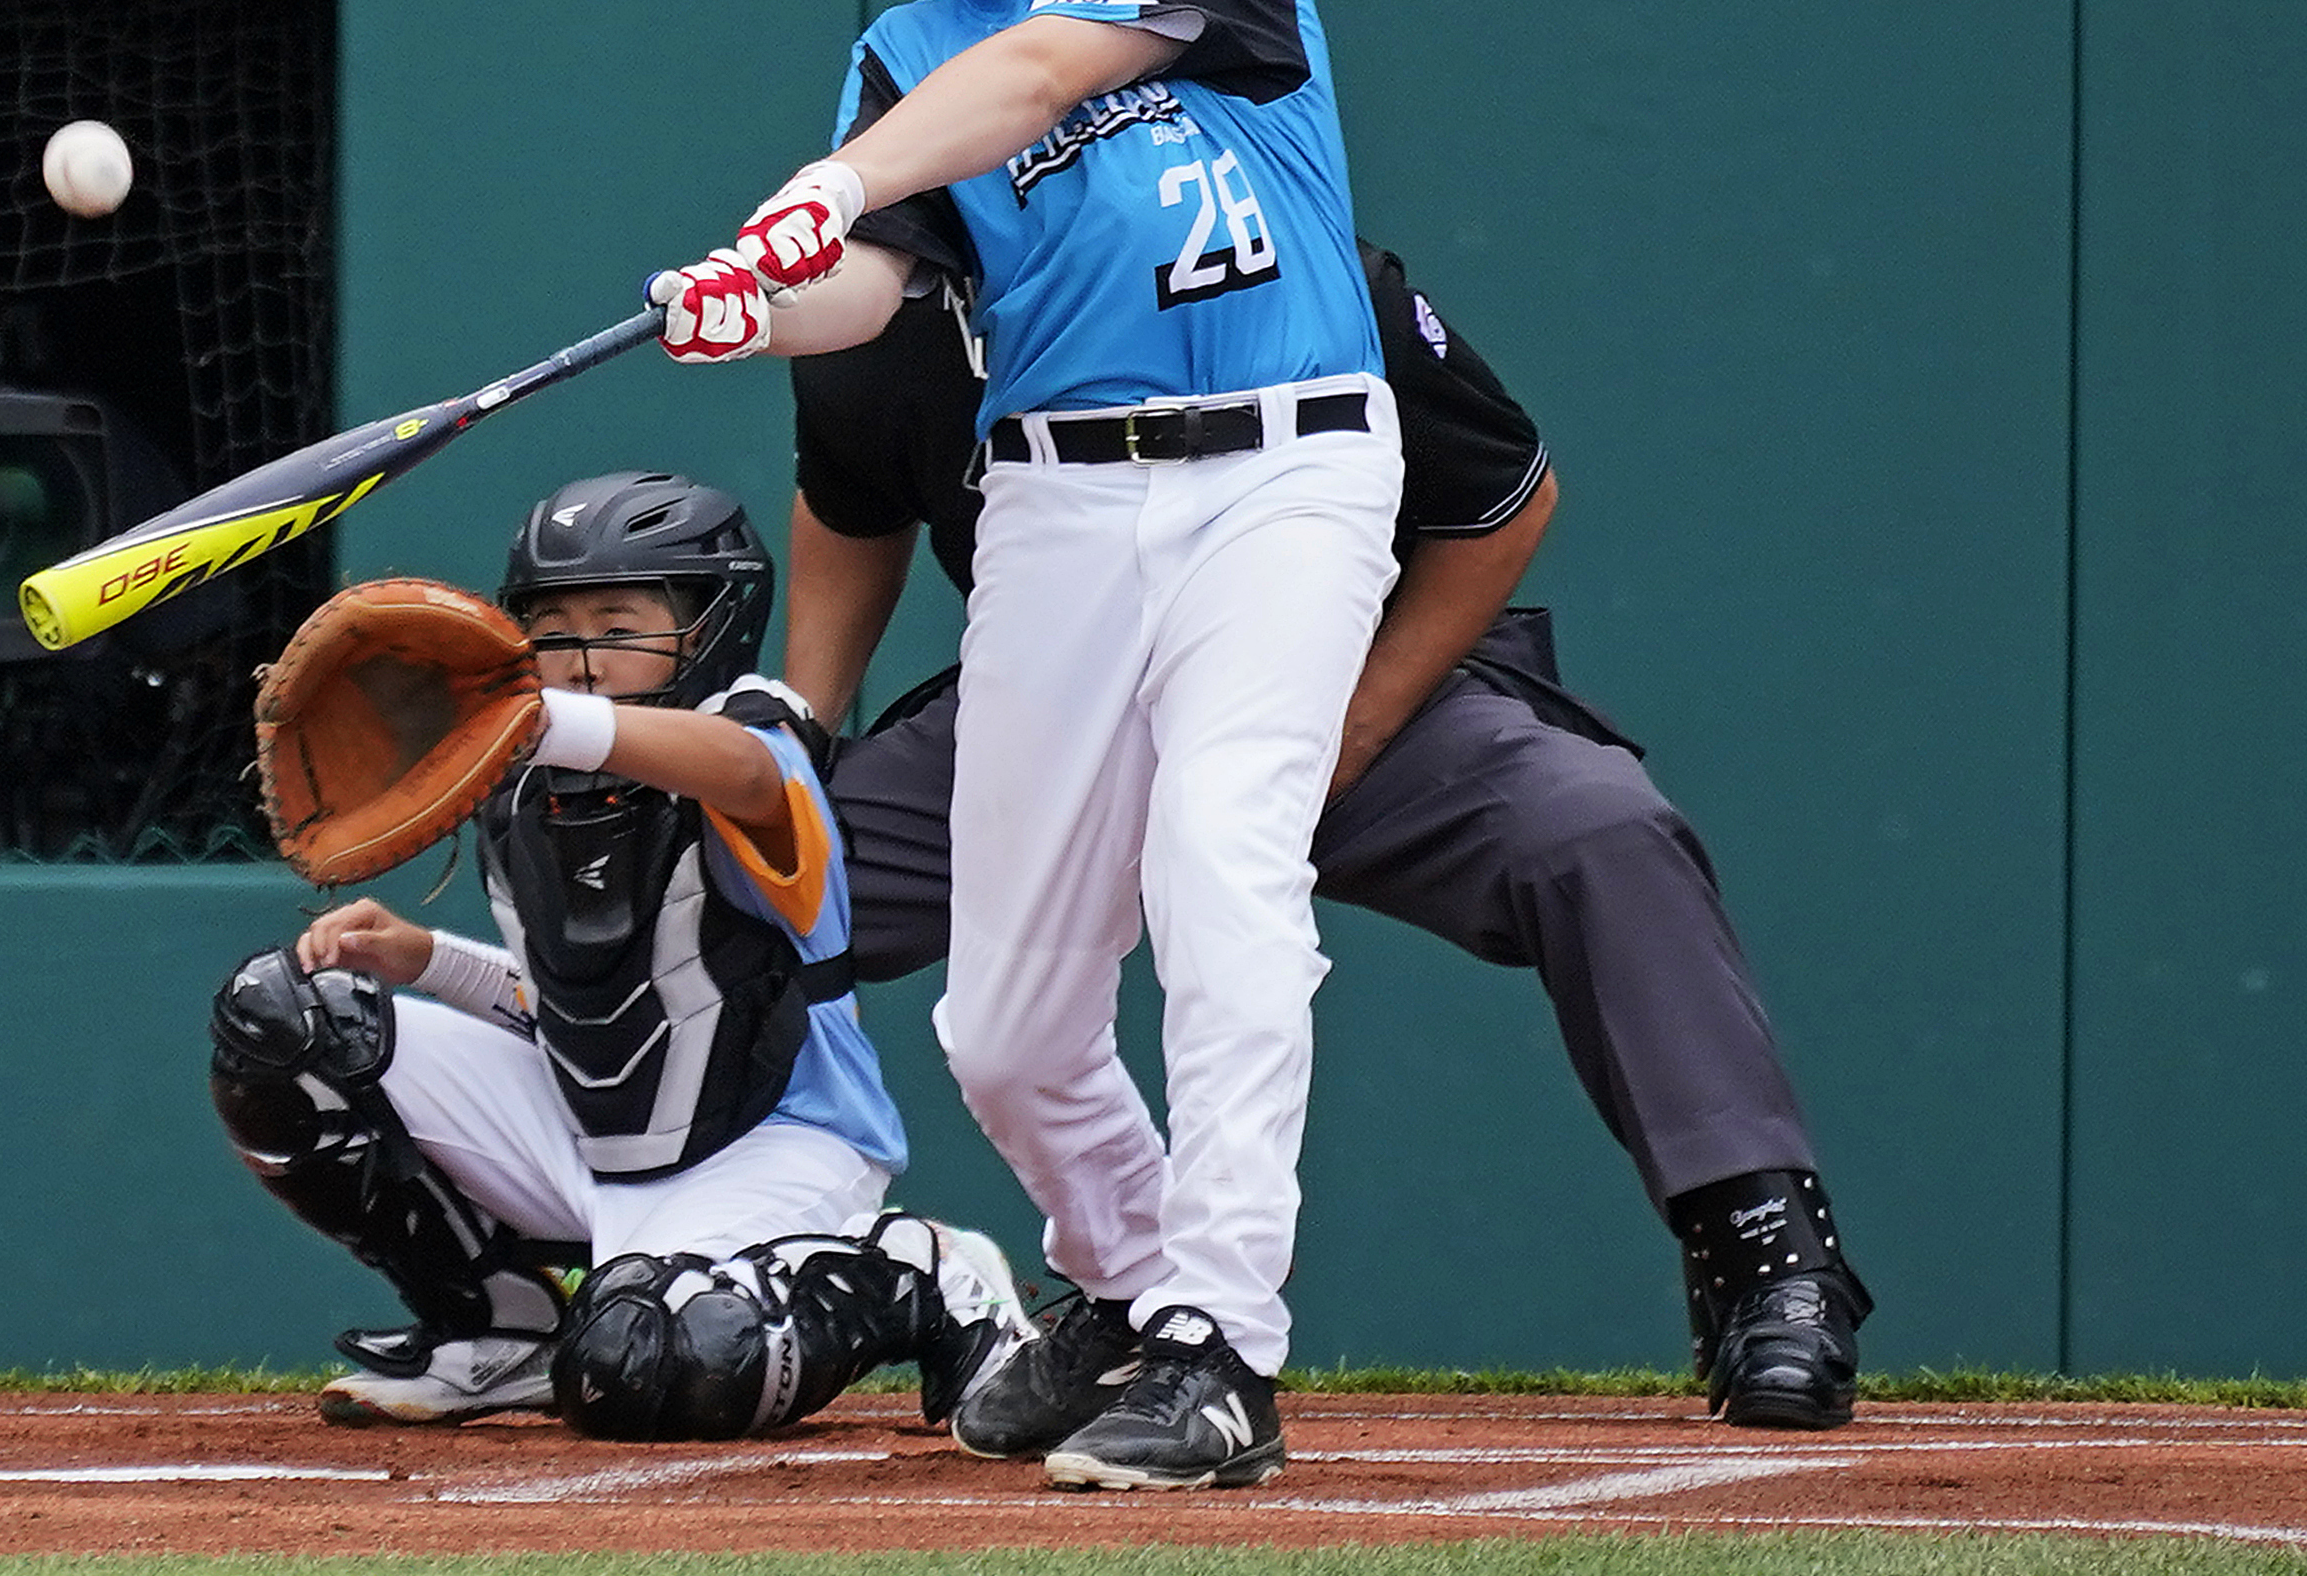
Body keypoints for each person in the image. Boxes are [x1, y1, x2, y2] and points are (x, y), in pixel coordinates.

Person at [642, 0, 1403, 1490]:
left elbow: (1052, 69)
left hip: (1286, 472)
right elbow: (875, 277)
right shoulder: (903, 55)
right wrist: (753, 303)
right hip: (1057, 505)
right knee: (1008, 1027)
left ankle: (1221, 1346)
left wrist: (819, 192)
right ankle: (1128, 1283)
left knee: (1225, 867)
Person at [792, 244, 1877, 1434]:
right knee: (765, 874)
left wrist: (1337, 737)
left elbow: (1506, 499)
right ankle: (745, 1268)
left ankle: (1765, 1248)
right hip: (1067, 702)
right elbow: (850, 498)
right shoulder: (880, 300)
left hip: (1339, 677)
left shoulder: (1285, 260)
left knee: (1595, 830)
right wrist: (797, 729)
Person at [206, 470, 1035, 1438]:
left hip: (772, 1145)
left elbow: (744, 777)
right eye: (554, 631)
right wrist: (430, 960)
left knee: (642, 1368)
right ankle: (497, 1329)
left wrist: (553, 722)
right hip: (597, 1138)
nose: (583, 658)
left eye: (619, 623)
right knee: (282, 1017)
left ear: (708, 624)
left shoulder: (755, 740)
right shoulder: (524, 793)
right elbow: (590, 1019)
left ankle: (923, 1278)